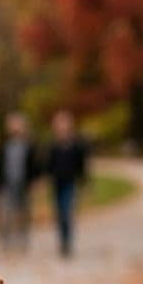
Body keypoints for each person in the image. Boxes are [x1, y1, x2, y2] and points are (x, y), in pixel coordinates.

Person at [45, 109, 88, 257]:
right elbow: (49, 166)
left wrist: (84, 182)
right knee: (59, 214)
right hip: (57, 184)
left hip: (70, 183)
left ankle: (67, 242)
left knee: (66, 211)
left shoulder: (76, 145)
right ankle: (62, 241)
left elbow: (82, 166)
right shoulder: (54, 146)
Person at [0, 111, 41, 252]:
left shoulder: (29, 145)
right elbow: (0, 167)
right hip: (9, 185)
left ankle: (24, 240)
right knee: (7, 213)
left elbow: (35, 166)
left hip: (24, 185)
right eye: (12, 124)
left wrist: (35, 182)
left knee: (25, 213)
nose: (15, 128)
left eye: (18, 124)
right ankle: (7, 241)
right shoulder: (5, 146)